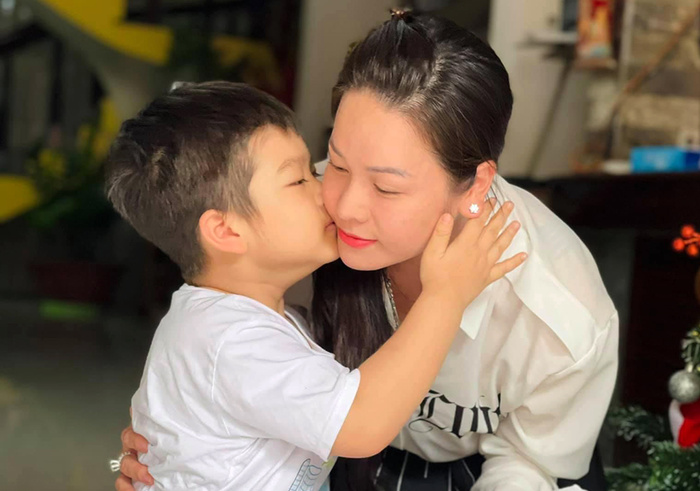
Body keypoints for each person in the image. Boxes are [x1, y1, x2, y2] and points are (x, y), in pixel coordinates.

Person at [117, 11, 618, 491]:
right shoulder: (290, 219)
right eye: (335, 163)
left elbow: (530, 464)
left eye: (386, 187)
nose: (343, 205)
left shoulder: (562, 311)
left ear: (476, 184)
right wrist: (182, 437)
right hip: (350, 458)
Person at [106, 81, 524, 491]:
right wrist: (446, 295)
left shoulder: (245, 325)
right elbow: (361, 425)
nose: (325, 191)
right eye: (299, 180)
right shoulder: (231, 342)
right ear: (226, 231)